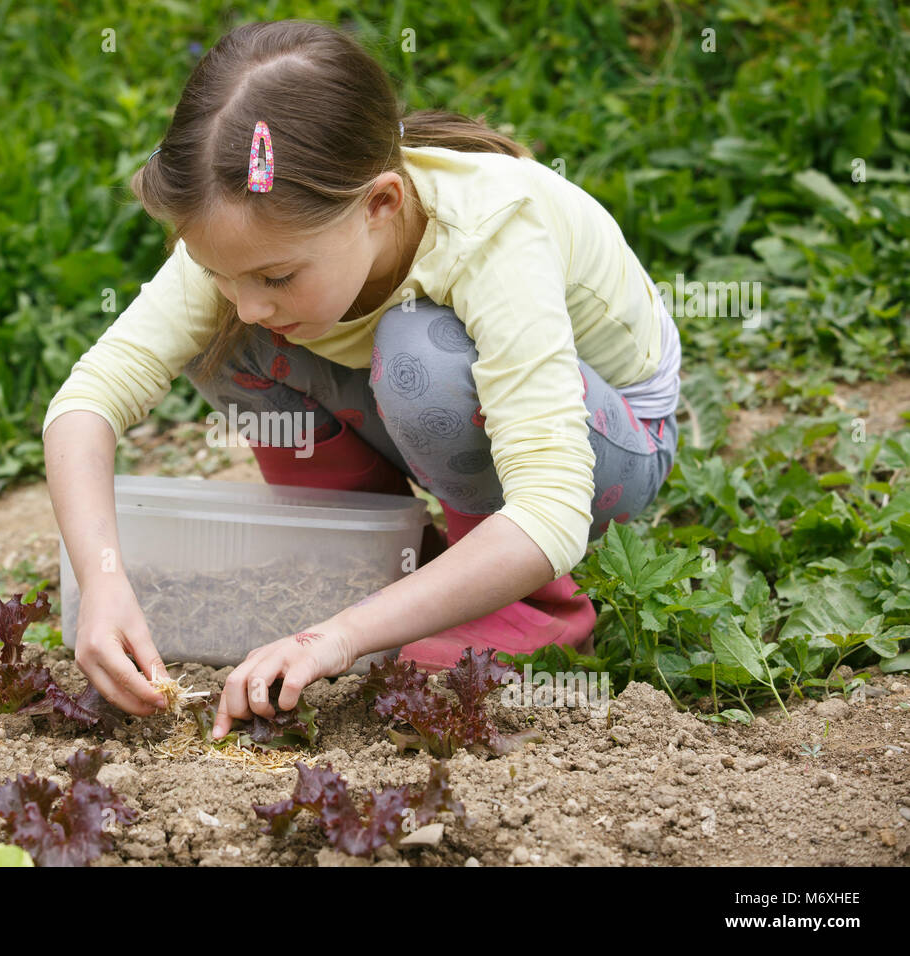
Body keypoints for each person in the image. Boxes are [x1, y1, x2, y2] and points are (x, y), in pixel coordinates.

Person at [41, 20, 681, 739]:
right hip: (447, 415)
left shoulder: (494, 232)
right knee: (226, 339)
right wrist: (101, 580)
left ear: (380, 205)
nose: (249, 298)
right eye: (222, 274)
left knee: (422, 353)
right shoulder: (253, 229)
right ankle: (371, 569)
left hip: (613, 443)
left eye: (276, 276)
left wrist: (339, 639)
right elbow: (87, 401)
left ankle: (526, 608)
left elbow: (552, 507)